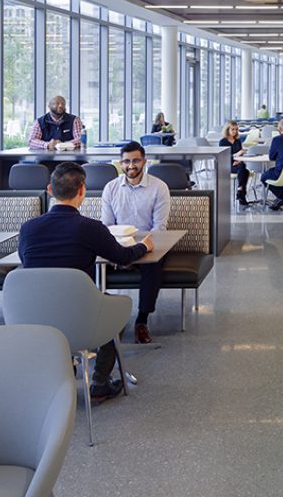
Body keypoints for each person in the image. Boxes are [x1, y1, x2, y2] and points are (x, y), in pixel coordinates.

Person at [18, 162, 154, 403]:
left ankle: (62, 370)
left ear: (50, 190)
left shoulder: (28, 229)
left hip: (35, 317)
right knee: (117, 308)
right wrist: (144, 246)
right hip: (80, 315)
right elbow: (122, 258)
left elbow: (27, 263)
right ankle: (100, 382)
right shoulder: (90, 228)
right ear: (82, 190)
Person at [101, 141, 171, 345]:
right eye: (126, 161)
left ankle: (142, 320)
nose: (131, 165)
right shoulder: (111, 188)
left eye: (136, 161)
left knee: (152, 264)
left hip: (149, 243)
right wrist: (123, 251)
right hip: (118, 244)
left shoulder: (159, 188)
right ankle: (100, 320)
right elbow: (106, 226)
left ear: (144, 161)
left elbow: (159, 229)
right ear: (120, 164)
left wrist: (137, 252)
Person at [219, 120, 250, 206]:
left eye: (236, 129)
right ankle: (241, 193)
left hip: (237, 165)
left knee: (243, 168)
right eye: (232, 129)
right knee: (245, 171)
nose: (235, 131)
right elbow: (223, 156)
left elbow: (240, 156)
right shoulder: (223, 142)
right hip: (226, 165)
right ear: (227, 130)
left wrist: (239, 159)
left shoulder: (237, 141)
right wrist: (235, 156)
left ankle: (240, 191)